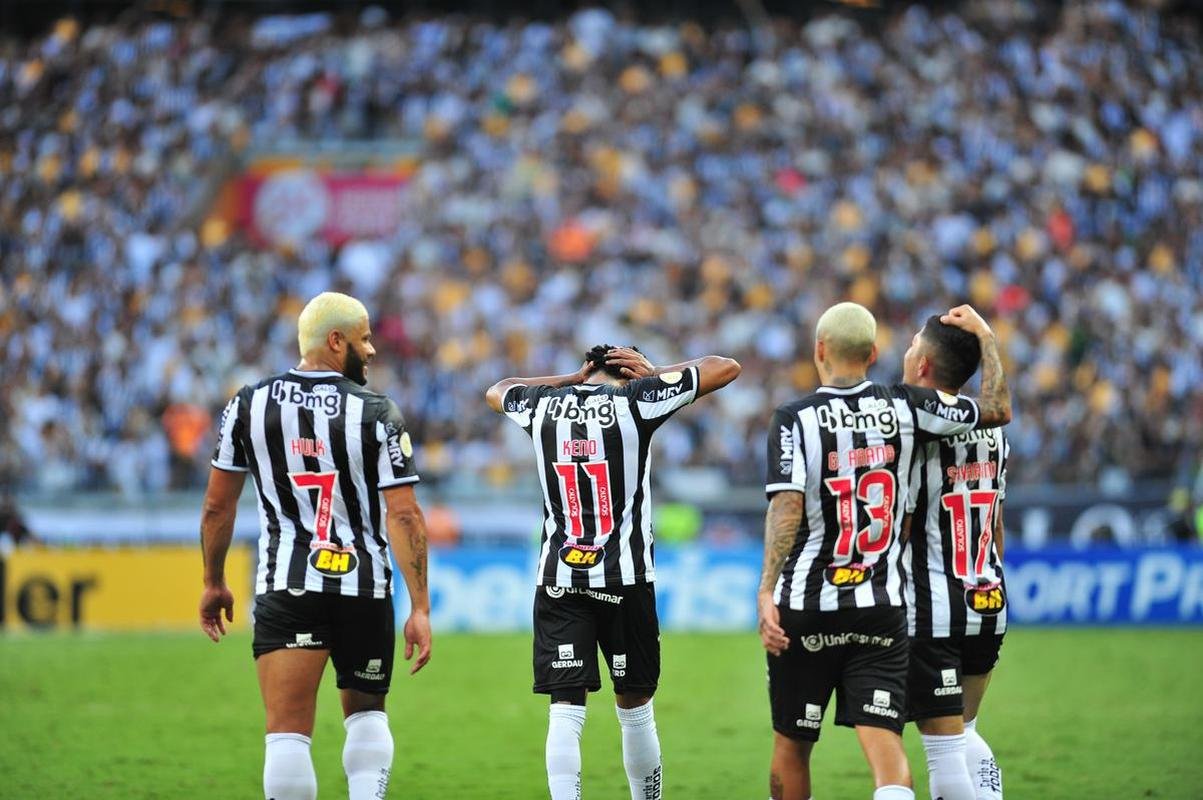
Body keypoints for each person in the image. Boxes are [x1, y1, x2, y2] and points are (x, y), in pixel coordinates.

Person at [757, 303, 1011, 800]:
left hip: (810, 606)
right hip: (885, 607)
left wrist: (767, 589)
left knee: (793, 743)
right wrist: (986, 337)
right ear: (874, 353)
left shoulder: (793, 418)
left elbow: (786, 507)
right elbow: (998, 410)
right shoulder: (908, 407)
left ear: (819, 350)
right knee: (896, 749)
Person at [198, 291, 432, 800]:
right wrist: (419, 606)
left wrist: (213, 581)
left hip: (289, 583)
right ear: (335, 341)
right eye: (364, 339)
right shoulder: (376, 411)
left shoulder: (248, 405)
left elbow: (218, 507)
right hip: (363, 587)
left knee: (287, 732)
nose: (371, 351)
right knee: (367, 716)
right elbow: (405, 514)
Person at [486, 344, 741, 800]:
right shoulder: (637, 400)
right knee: (636, 708)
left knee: (565, 710)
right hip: (626, 577)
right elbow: (726, 368)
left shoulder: (542, 406)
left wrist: (569, 378)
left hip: (560, 578)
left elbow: (498, 389)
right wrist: (656, 373)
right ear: (629, 373)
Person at [900, 317, 1010, 800]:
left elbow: (901, 526)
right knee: (964, 730)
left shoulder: (915, 425)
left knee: (943, 747)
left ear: (923, 363)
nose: (905, 351)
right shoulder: (995, 432)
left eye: (910, 344)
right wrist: (987, 341)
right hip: (988, 597)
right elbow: (997, 523)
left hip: (933, 607)